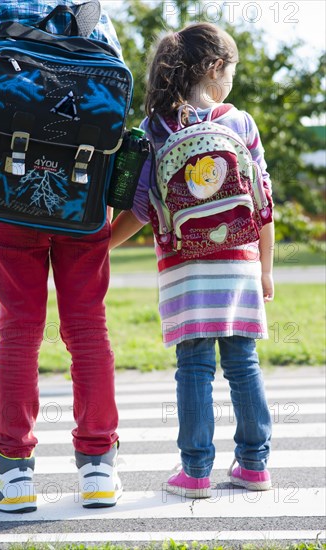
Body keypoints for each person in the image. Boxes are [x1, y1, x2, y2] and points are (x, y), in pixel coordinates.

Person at [0, 0, 123, 512]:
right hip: (84, 202)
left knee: (18, 331)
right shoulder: (89, 12)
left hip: (8, 199)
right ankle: (98, 468)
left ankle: (13, 473)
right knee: (88, 328)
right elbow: (112, 121)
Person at [110, 22, 274, 498]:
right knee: (244, 363)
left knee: (195, 368)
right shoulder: (240, 123)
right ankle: (255, 465)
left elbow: (140, 208)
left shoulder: (154, 129)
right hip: (240, 265)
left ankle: (196, 471)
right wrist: (265, 267)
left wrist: (101, 247)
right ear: (216, 68)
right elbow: (263, 200)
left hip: (184, 270)